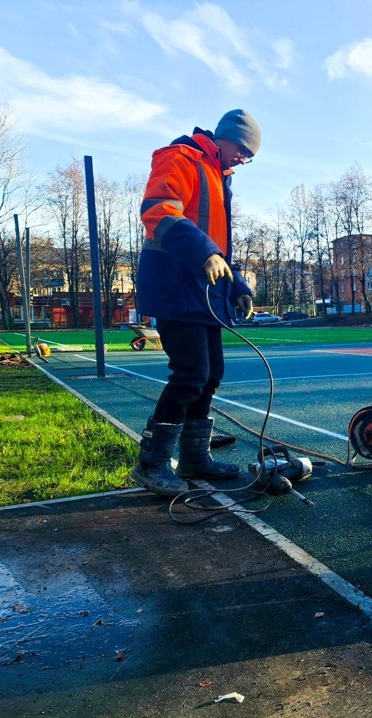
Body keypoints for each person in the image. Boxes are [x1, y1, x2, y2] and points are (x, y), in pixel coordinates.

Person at [130, 109, 260, 496]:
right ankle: (151, 465)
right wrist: (205, 253)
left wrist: (237, 284)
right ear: (225, 138)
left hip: (202, 294)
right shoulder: (181, 158)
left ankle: (193, 458)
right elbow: (158, 210)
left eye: (249, 156)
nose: (244, 160)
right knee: (190, 375)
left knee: (210, 373)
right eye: (243, 150)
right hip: (176, 286)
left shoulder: (220, 177)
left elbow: (217, 244)